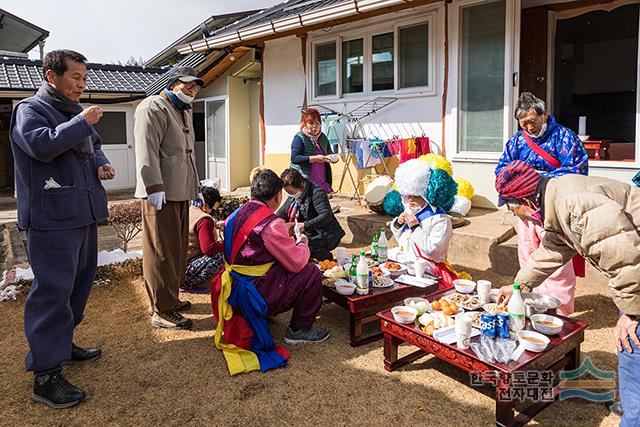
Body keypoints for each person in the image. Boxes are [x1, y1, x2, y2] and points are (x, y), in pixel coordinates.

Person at [495, 160, 639, 427]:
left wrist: (632, 313)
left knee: (632, 345)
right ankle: (634, 406)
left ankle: (635, 417)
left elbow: (625, 256)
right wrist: (517, 286)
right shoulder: (556, 199)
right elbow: (551, 250)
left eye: (511, 208)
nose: (515, 215)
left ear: (525, 201)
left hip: (636, 267)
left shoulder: (572, 205)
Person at [10, 50, 115, 408]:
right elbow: (41, 145)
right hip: (51, 216)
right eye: (76, 78)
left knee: (78, 284)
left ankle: (61, 344)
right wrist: (82, 123)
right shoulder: (30, 110)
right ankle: (45, 375)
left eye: (85, 79)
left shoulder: (75, 112)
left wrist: (101, 162)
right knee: (52, 291)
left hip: (81, 212)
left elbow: (94, 145)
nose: (82, 84)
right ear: (51, 76)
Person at [211, 169, 329, 375]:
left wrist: (284, 229)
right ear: (277, 197)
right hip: (254, 290)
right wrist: (302, 243)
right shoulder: (271, 224)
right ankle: (299, 329)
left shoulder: (236, 213)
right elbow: (296, 262)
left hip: (234, 286)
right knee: (311, 271)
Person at [495, 92, 589, 316]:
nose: (528, 127)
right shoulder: (516, 141)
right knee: (527, 255)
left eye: (532, 121)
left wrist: (536, 178)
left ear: (544, 114)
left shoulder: (565, 138)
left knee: (556, 259)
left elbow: (577, 170)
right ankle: (532, 303)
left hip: (553, 209)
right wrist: (512, 198)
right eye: (523, 123)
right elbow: (502, 171)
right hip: (524, 210)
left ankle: (560, 310)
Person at [134, 67, 201, 330]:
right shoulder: (153, 107)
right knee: (160, 251)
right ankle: (160, 311)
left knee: (175, 248)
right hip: (160, 193)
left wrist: (195, 187)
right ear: (173, 83)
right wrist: (154, 185)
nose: (192, 90)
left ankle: (170, 299)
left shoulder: (181, 110)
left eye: (196, 86)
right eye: (187, 85)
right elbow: (146, 147)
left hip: (180, 192)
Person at [389, 158, 460, 287]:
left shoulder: (440, 219)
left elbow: (433, 251)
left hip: (428, 268)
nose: (410, 200)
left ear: (427, 195)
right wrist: (398, 224)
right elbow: (403, 239)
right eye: (407, 195)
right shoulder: (412, 209)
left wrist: (415, 227)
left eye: (415, 196)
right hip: (407, 260)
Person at [276, 168, 345, 261]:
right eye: (289, 193)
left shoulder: (316, 193)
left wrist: (305, 225)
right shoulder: (294, 198)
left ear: (301, 185)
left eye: (292, 192)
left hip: (325, 234)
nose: (291, 195)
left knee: (302, 247)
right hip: (310, 233)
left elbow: (326, 215)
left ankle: (326, 261)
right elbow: (281, 213)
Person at [182, 182, 224, 293]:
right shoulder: (204, 220)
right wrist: (228, 243)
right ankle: (191, 284)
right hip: (186, 272)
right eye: (212, 208)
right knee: (221, 255)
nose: (212, 211)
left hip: (178, 268)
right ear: (206, 206)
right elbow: (209, 248)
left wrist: (214, 225)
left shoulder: (191, 209)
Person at [290, 108, 336, 194]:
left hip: (322, 181)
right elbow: (294, 158)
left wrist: (332, 158)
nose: (314, 126)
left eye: (317, 123)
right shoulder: (299, 138)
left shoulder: (323, 137)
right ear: (305, 124)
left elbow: (329, 152)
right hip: (304, 181)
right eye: (310, 123)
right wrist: (314, 158)